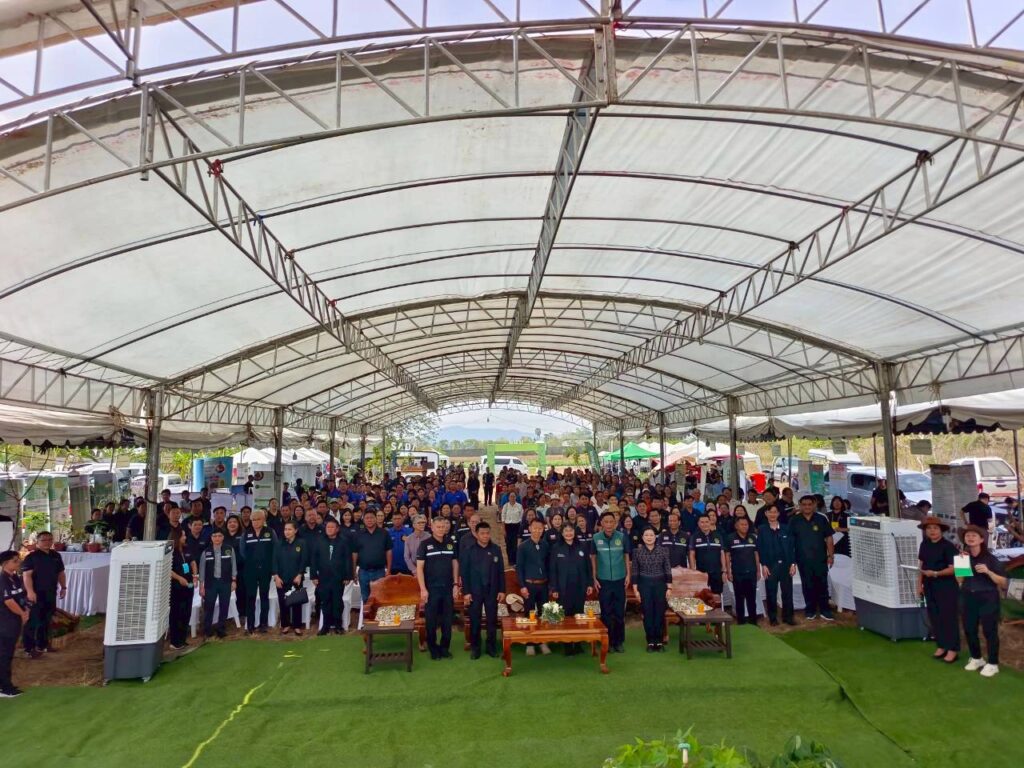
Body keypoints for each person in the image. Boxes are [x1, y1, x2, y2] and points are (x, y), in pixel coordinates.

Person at [959, 524, 1008, 677]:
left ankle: (993, 663)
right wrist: (961, 564)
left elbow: (1004, 583)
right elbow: (959, 580)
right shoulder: (962, 557)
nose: (970, 537)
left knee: (989, 631)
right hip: (968, 597)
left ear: (981, 539)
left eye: (974, 535)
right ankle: (976, 658)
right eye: (967, 535)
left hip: (988, 598)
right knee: (969, 629)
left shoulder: (991, 559)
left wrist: (988, 572)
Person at [459, 521, 505, 659]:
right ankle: (476, 648)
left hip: (492, 591)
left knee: (492, 621)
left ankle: (491, 647)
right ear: (477, 534)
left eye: (487, 533)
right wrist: (466, 592)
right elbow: (464, 573)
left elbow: (501, 571)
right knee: (475, 621)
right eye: (482, 533)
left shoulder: (496, 549)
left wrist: (502, 590)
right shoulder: (469, 550)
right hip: (474, 591)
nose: (485, 536)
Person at [916, 516, 959, 664]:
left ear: (941, 530)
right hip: (929, 585)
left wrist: (936, 573)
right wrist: (919, 584)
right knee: (934, 616)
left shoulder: (948, 546)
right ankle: (941, 645)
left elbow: (954, 569)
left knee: (948, 618)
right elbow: (921, 565)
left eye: (935, 528)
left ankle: (952, 649)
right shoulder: (924, 544)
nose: (932, 531)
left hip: (946, 586)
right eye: (929, 528)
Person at [416, 517, 459, 660]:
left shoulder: (450, 543)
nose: (441, 529)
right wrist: (423, 589)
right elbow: (419, 568)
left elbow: (455, 564)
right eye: (438, 527)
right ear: (432, 528)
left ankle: (445, 648)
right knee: (431, 621)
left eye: (443, 526)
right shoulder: (425, 544)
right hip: (431, 589)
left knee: (447, 620)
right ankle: (433, 649)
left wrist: (455, 585)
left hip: (447, 588)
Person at [789, 495, 835, 621]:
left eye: (809, 504)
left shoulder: (821, 518)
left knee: (822, 585)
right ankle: (810, 610)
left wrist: (831, 555)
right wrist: (792, 560)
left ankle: (825, 610)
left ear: (814, 505)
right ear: (800, 505)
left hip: (821, 558)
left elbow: (829, 538)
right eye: (804, 504)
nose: (807, 507)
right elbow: (790, 541)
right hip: (803, 559)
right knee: (807, 585)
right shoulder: (794, 520)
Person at [20, 531, 66, 656]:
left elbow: (61, 573)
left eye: (50, 539)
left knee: (46, 619)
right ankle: (29, 648)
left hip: (50, 592)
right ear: (37, 542)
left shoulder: (56, 555)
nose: (47, 542)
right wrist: (30, 592)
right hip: (35, 593)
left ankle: (43, 645)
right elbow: (26, 576)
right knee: (33, 620)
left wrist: (63, 587)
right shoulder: (31, 557)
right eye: (44, 540)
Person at [550, 524, 593, 655]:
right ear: (562, 533)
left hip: (580, 587)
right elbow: (553, 570)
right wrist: (554, 588)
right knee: (565, 617)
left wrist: (589, 584)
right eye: (566, 531)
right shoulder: (556, 548)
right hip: (563, 589)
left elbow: (588, 567)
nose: (569, 533)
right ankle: (568, 645)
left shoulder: (582, 546)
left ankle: (578, 643)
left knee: (579, 615)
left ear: (575, 532)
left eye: (571, 530)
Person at [592, 511, 630, 654]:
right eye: (606, 522)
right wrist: (594, 578)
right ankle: (607, 641)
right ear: (601, 523)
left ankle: (618, 642)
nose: (608, 525)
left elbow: (626, 556)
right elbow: (593, 558)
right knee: (606, 612)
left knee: (619, 612)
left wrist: (628, 575)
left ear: (615, 523)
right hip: (603, 580)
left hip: (620, 579)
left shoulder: (622, 537)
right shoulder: (595, 538)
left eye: (611, 522)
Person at [631, 527, 672, 652]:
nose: (649, 537)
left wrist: (669, 587)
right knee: (647, 613)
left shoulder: (663, 550)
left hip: (660, 585)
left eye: (651, 535)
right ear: (642, 537)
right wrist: (635, 590)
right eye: (646, 535)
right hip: (644, 585)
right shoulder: (637, 552)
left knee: (659, 613)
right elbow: (635, 571)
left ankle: (659, 642)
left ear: (655, 537)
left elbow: (667, 569)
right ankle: (650, 642)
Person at [311, 518, 353, 635]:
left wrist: (348, 576)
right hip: (323, 577)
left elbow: (348, 559)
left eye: (332, 527)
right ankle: (325, 626)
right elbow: (314, 559)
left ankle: (338, 626)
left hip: (338, 577)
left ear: (337, 529)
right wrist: (314, 575)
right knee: (325, 602)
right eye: (328, 527)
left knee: (337, 602)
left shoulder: (343, 541)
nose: (329, 529)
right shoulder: (319, 541)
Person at [516, 517, 552, 656]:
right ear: (530, 528)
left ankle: (542, 642)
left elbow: (549, 565)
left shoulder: (546, 545)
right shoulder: (523, 546)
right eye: (535, 528)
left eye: (540, 528)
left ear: (543, 529)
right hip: (529, 585)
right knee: (529, 614)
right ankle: (530, 643)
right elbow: (519, 568)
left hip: (543, 585)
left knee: (544, 615)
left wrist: (550, 585)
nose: (537, 530)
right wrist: (522, 586)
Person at [756, 504, 796, 626]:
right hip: (770, 566)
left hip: (786, 565)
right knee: (771, 593)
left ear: (778, 514)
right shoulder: (762, 529)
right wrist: (763, 565)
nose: (772, 514)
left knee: (787, 593)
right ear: (766, 513)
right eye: (770, 512)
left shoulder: (786, 528)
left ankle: (788, 617)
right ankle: (773, 618)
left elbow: (792, 547)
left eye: (775, 512)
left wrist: (793, 564)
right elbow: (760, 548)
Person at [242, 509, 277, 634]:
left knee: (264, 596)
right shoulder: (246, 533)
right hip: (250, 570)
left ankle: (263, 624)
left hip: (265, 570)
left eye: (258, 519)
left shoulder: (270, 532)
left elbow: (275, 549)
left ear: (264, 520)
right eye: (253, 520)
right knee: (250, 597)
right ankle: (250, 625)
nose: (255, 522)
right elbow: (242, 551)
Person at [198, 528, 237, 639]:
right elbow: (202, 571)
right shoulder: (206, 552)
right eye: (214, 536)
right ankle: (207, 630)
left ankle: (221, 629)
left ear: (223, 537)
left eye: (219, 536)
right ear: (211, 538)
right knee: (209, 607)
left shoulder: (229, 549)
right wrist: (201, 587)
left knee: (224, 606)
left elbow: (234, 566)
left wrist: (234, 581)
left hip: (225, 582)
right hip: (211, 583)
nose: (217, 538)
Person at [0, 550, 29, 697]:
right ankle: (4, 687)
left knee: (9, 653)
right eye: (15, 561)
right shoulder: (2, 579)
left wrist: (26, 609)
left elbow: (21, 596)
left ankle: (5, 684)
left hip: (15, 619)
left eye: (19, 560)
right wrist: (22, 613)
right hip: (5, 621)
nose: (19, 563)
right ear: (5, 563)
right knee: (4, 654)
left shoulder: (15, 577)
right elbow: (9, 601)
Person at [275, 521, 308, 636]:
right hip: (281, 578)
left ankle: (297, 626)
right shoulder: (279, 543)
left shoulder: (301, 543)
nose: (287, 532)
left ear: (295, 530)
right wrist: (276, 576)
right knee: (282, 602)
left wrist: (300, 575)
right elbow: (274, 560)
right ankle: (285, 624)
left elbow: (304, 560)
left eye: (289, 529)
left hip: (296, 578)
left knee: (296, 602)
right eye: (285, 529)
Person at [726, 517, 760, 625]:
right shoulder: (730, 538)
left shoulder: (752, 537)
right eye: (742, 524)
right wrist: (728, 571)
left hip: (751, 572)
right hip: (738, 573)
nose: (745, 526)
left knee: (752, 599)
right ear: (736, 526)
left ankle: (753, 622)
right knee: (739, 599)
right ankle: (741, 622)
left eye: (746, 524)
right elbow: (727, 555)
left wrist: (758, 570)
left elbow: (756, 554)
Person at [353, 510, 392, 603]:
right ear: (363, 520)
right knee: (365, 598)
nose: (369, 520)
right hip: (363, 572)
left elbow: (389, 552)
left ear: (376, 519)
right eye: (367, 518)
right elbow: (354, 553)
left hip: (380, 572)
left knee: (380, 598)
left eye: (371, 517)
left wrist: (389, 570)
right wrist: (353, 571)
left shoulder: (384, 533)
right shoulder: (358, 534)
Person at [168, 527, 196, 650]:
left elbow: (192, 562)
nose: (185, 537)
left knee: (186, 612)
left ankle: (183, 639)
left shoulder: (186, 549)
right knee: (176, 613)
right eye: (183, 535)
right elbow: (168, 569)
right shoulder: (170, 552)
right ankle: (175, 641)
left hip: (188, 586)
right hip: (176, 588)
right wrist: (179, 578)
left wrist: (195, 575)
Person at [689, 515, 726, 596]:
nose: (704, 524)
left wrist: (724, 570)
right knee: (703, 597)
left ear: (710, 522)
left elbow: (722, 553)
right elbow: (692, 554)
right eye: (702, 522)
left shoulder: (718, 536)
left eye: (706, 522)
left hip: (717, 572)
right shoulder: (694, 537)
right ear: (698, 524)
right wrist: (693, 571)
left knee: (717, 597)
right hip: (701, 572)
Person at [500, 492, 524, 566]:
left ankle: (514, 560)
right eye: (511, 496)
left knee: (515, 544)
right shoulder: (505, 506)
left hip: (516, 526)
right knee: (508, 544)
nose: (512, 498)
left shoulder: (519, 506)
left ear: (516, 497)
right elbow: (503, 517)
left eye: (514, 496)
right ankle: (509, 560)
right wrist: (503, 529)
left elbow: (521, 517)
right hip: (508, 527)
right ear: (508, 498)